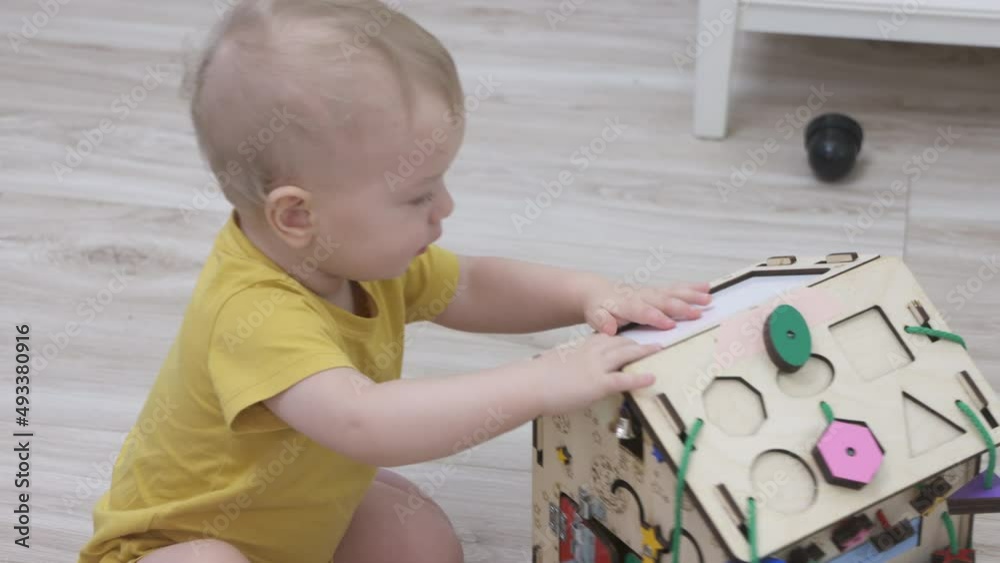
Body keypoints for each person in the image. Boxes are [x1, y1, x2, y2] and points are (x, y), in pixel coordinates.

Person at [77, 1, 711, 561]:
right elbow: (365, 422)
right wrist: (540, 382)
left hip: (295, 517)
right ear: (297, 216)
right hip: (173, 547)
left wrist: (589, 293)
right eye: (418, 195)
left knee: (419, 541)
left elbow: (472, 285)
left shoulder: (354, 258)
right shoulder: (252, 315)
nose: (446, 209)